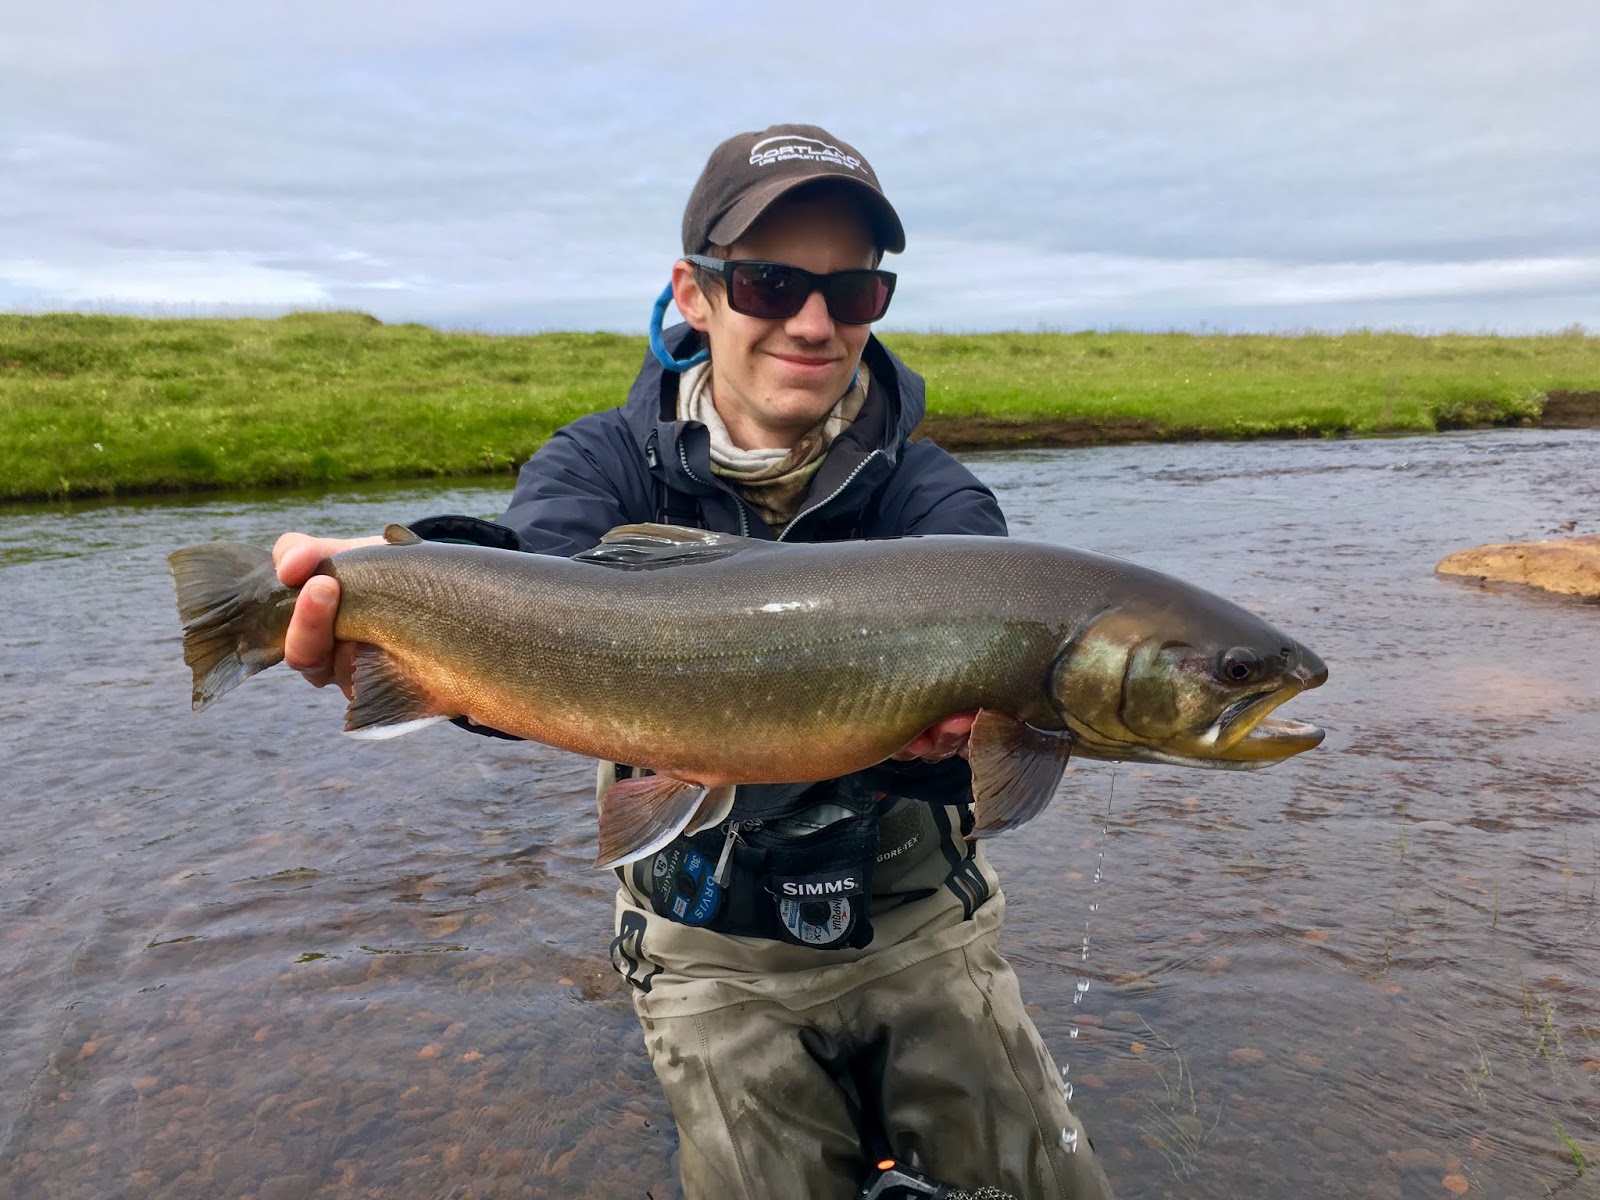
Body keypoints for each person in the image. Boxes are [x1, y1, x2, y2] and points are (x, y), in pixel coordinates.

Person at [273, 124, 1113, 1200]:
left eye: (853, 292)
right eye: (770, 283)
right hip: (701, 933)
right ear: (695, 291)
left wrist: (941, 746)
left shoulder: (933, 498)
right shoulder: (601, 462)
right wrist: (398, 620)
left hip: (919, 920)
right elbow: (536, 596)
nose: (812, 323)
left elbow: (990, 742)